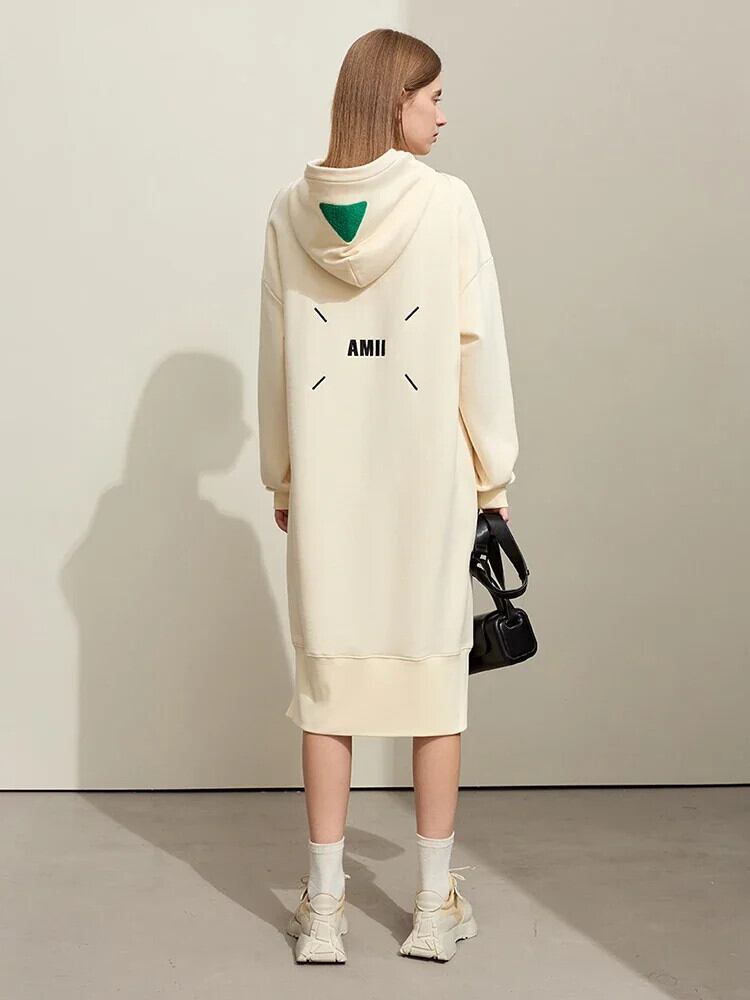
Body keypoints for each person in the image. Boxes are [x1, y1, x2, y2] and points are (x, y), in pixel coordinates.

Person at [256, 28, 518, 963]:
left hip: (330, 490)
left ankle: (325, 910)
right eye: (432, 97)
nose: (444, 115)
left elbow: (277, 356)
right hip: (426, 487)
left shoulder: (289, 212)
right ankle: (433, 906)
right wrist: (493, 475)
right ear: (394, 99)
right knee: (432, 683)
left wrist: (284, 474)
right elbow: (475, 348)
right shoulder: (448, 204)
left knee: (327, 689)